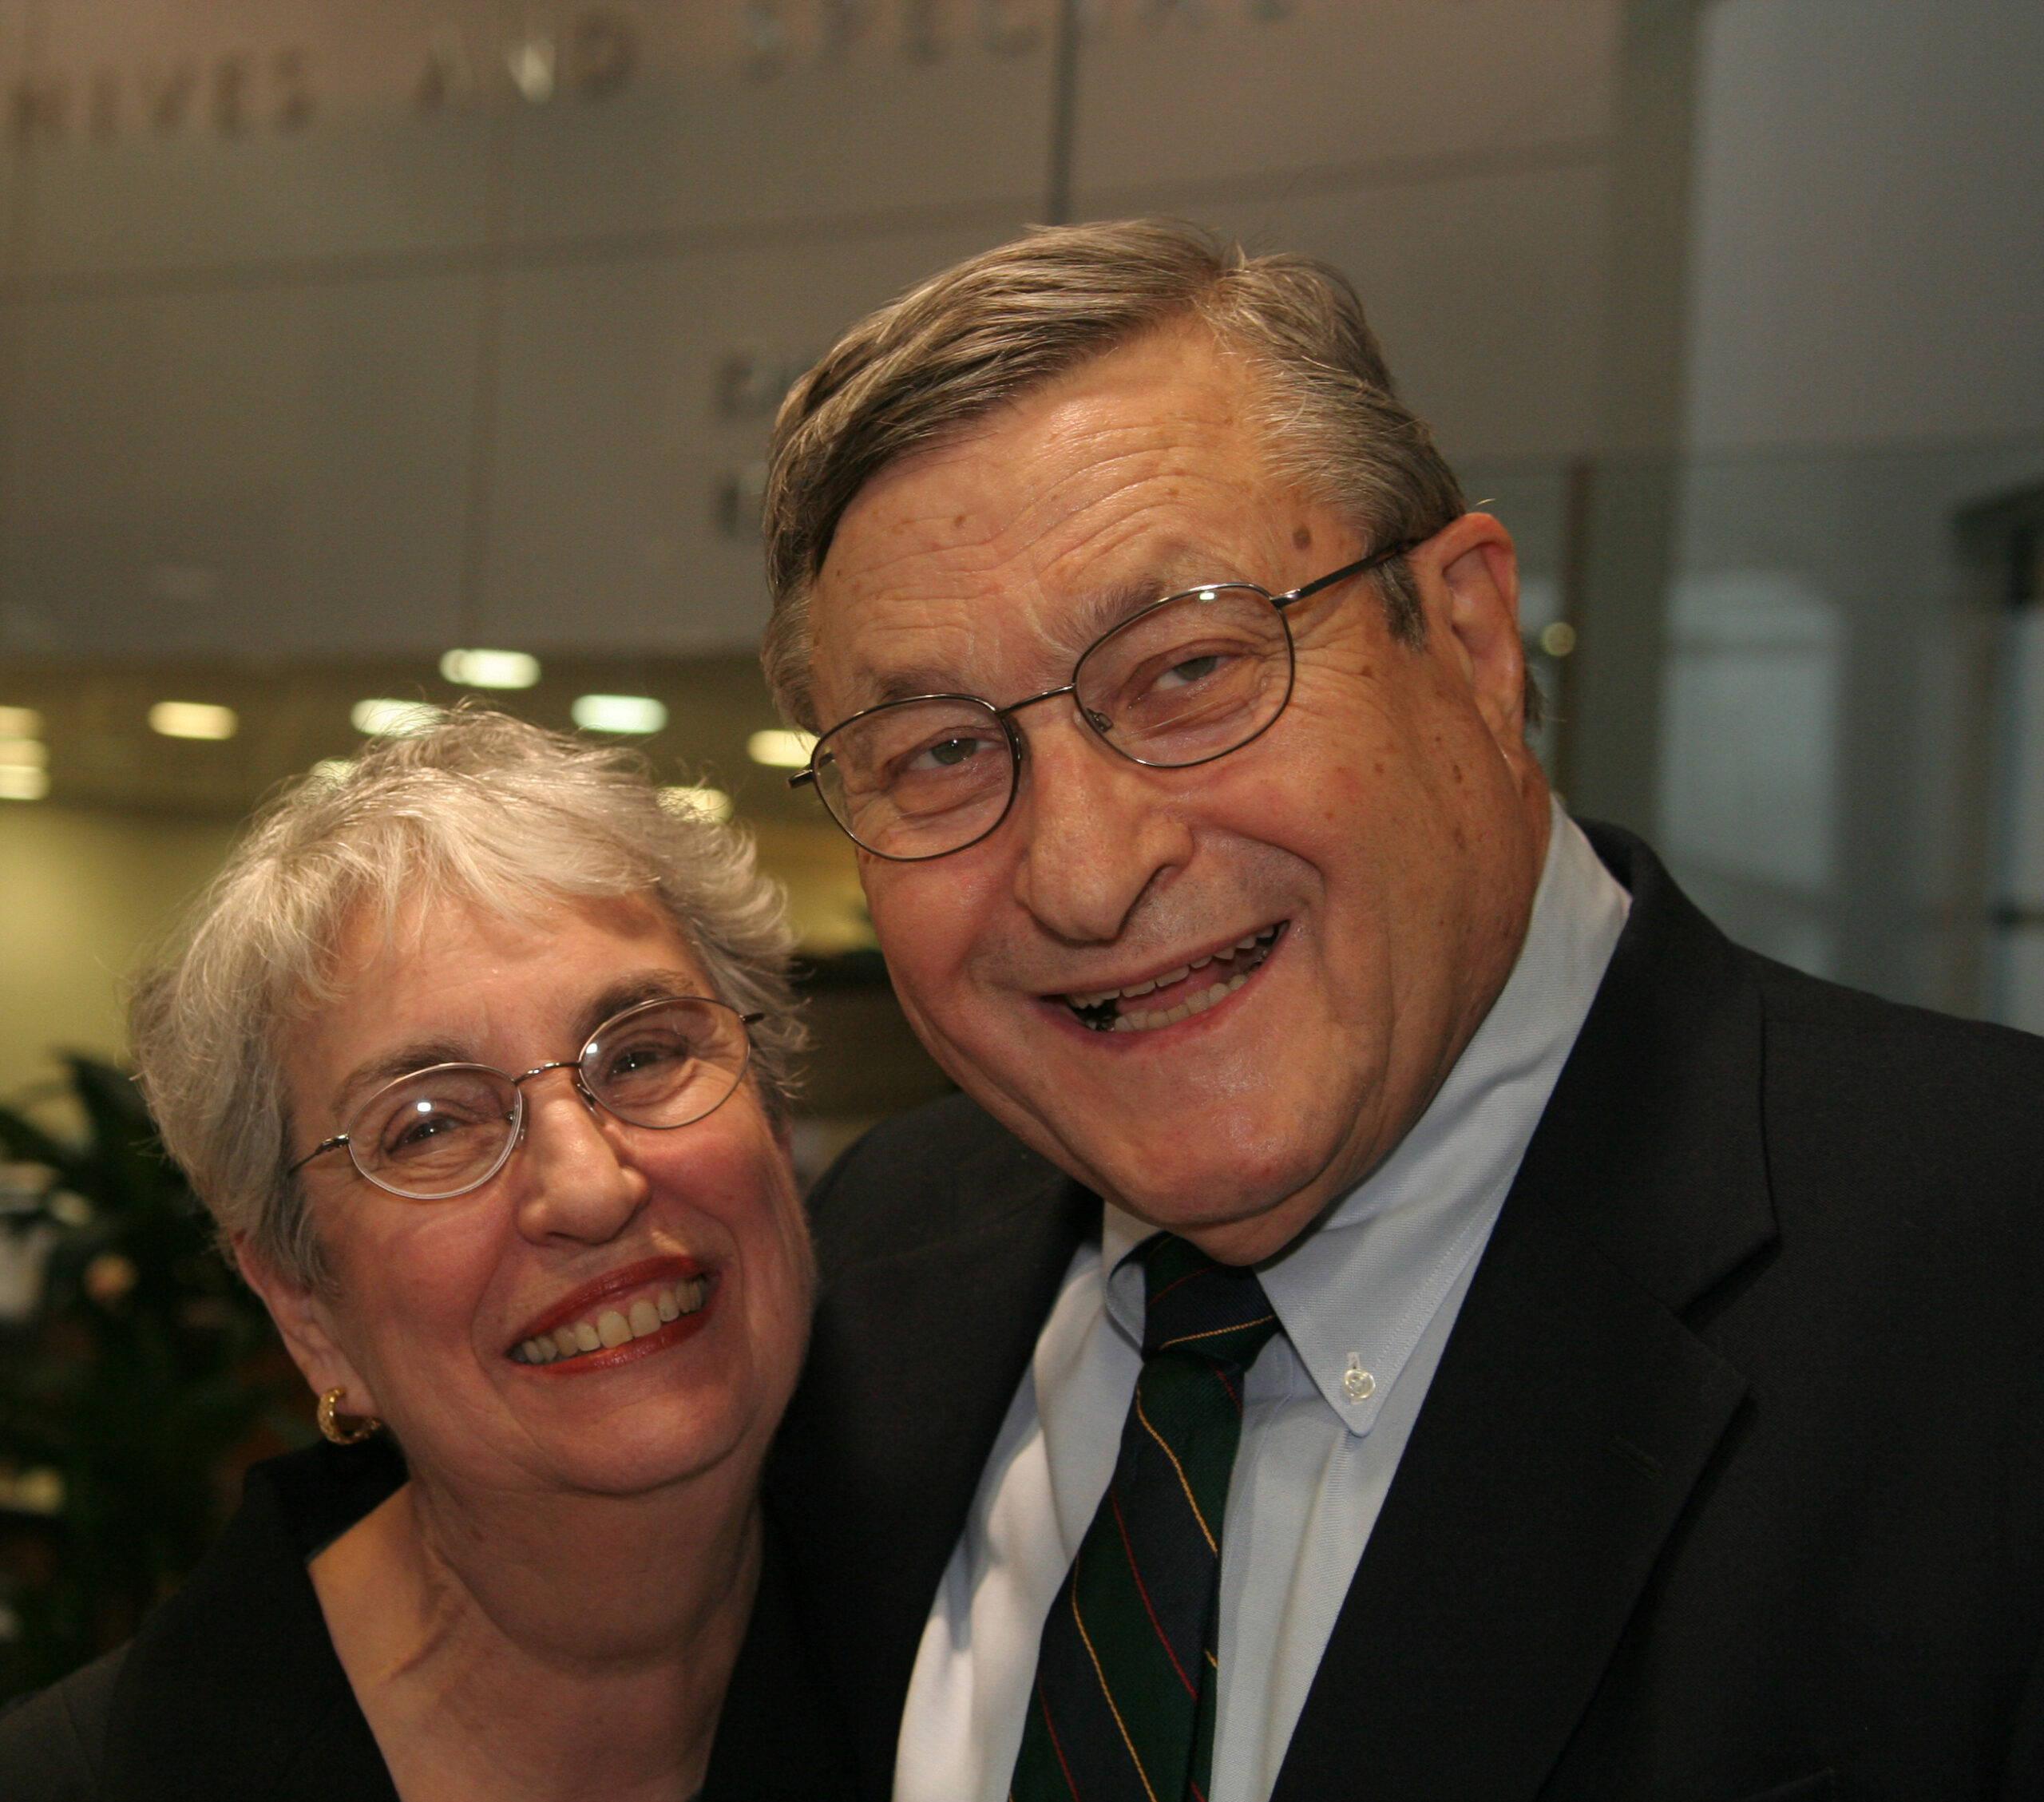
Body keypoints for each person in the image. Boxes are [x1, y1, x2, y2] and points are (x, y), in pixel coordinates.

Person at [752, 220, 2044, 1800]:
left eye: (1188, 669)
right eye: (940, 753)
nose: (1081, 873)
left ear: (1472, 639)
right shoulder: (871, 1274)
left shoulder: (1993, 1269)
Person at [0, 711, 849, 1800]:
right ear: (309, 1308)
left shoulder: (974, 1666)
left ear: (775, 1124)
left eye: (641, 1053)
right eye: (433, 1125)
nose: (589, 1185)